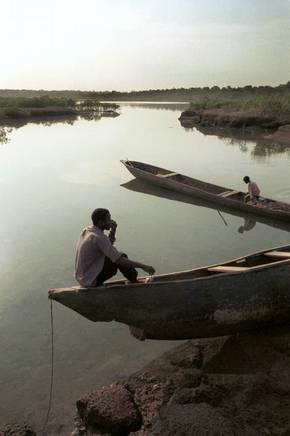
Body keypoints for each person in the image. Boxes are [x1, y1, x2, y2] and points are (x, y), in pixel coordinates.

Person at [75, 208, 155, 287]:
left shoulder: (88, 230)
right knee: (121, 257)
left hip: (83, 278)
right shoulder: (98, 237)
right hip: (90, 280)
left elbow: (107, 245)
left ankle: (133, 280)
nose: (111, 221)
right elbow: (118, 259)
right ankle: (135, 282)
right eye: (108, 219)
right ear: (100, 222)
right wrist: (144, 266)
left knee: (115, 256)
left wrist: (113, 230)